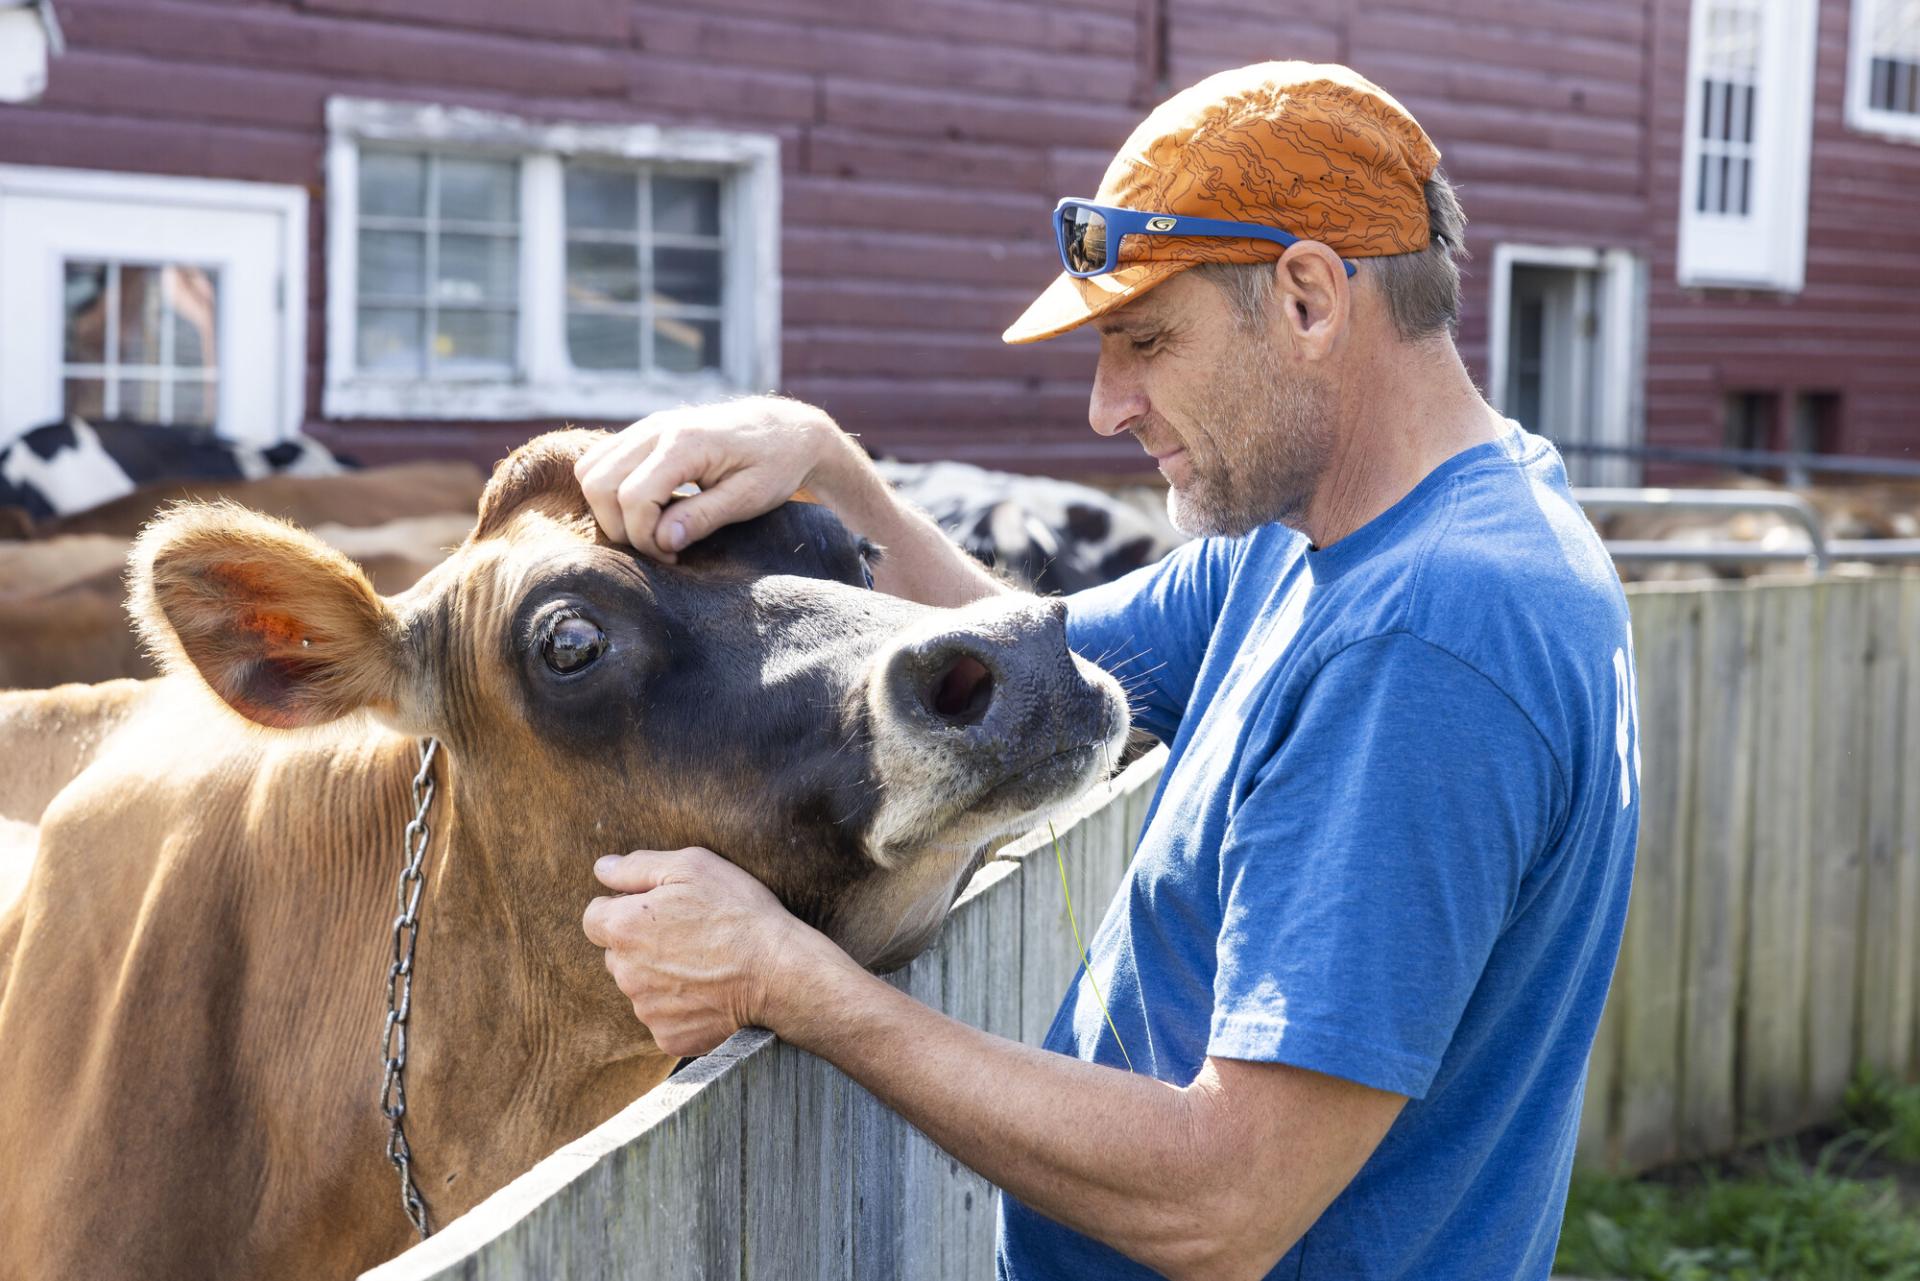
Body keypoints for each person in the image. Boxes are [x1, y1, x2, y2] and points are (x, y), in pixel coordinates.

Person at [578, 61, 1639, 1281]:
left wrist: (793, 982)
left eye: (1145, 340)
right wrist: (832, 466)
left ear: (1306, 299)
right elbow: (1015, 660)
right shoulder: (1349, 542)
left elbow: (1227, 1203)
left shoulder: (1427, 638)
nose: (1106, 407)